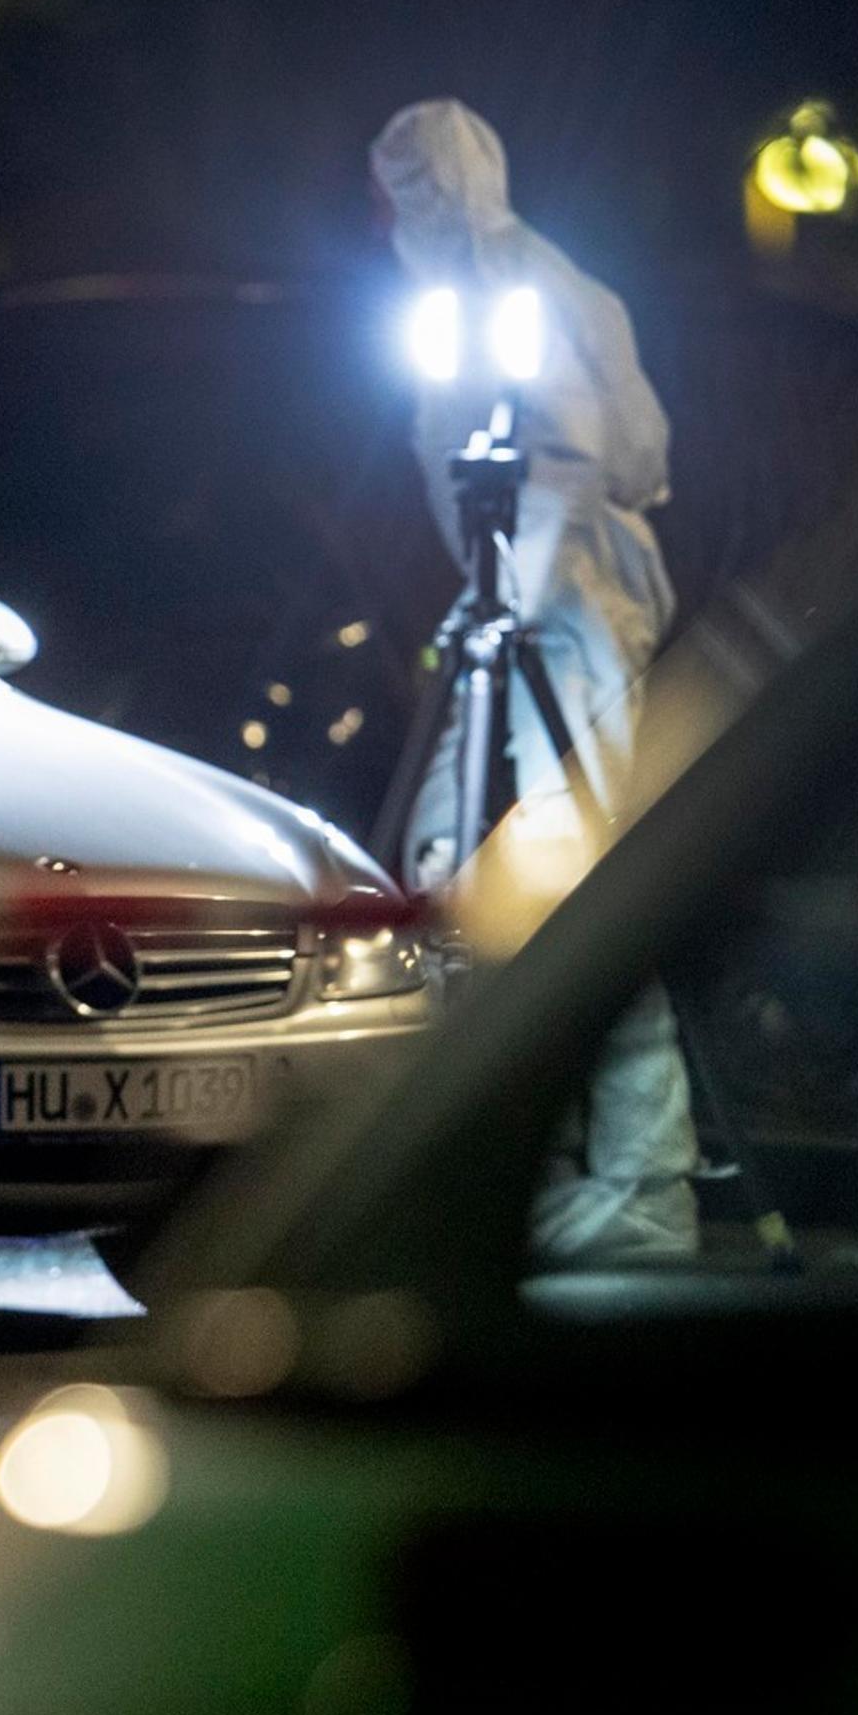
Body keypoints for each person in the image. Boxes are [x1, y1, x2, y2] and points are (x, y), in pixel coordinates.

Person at [369, 98, 699, 1264]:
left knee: (588, 870)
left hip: (577, 611)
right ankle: (523, 1152)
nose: (404, 211)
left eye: (416, 186)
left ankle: (646, 1181)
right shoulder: (457, 298)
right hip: (524, 599)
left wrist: (509, 590)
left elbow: (579, 455)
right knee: (455, 874)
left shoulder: (531, 287)